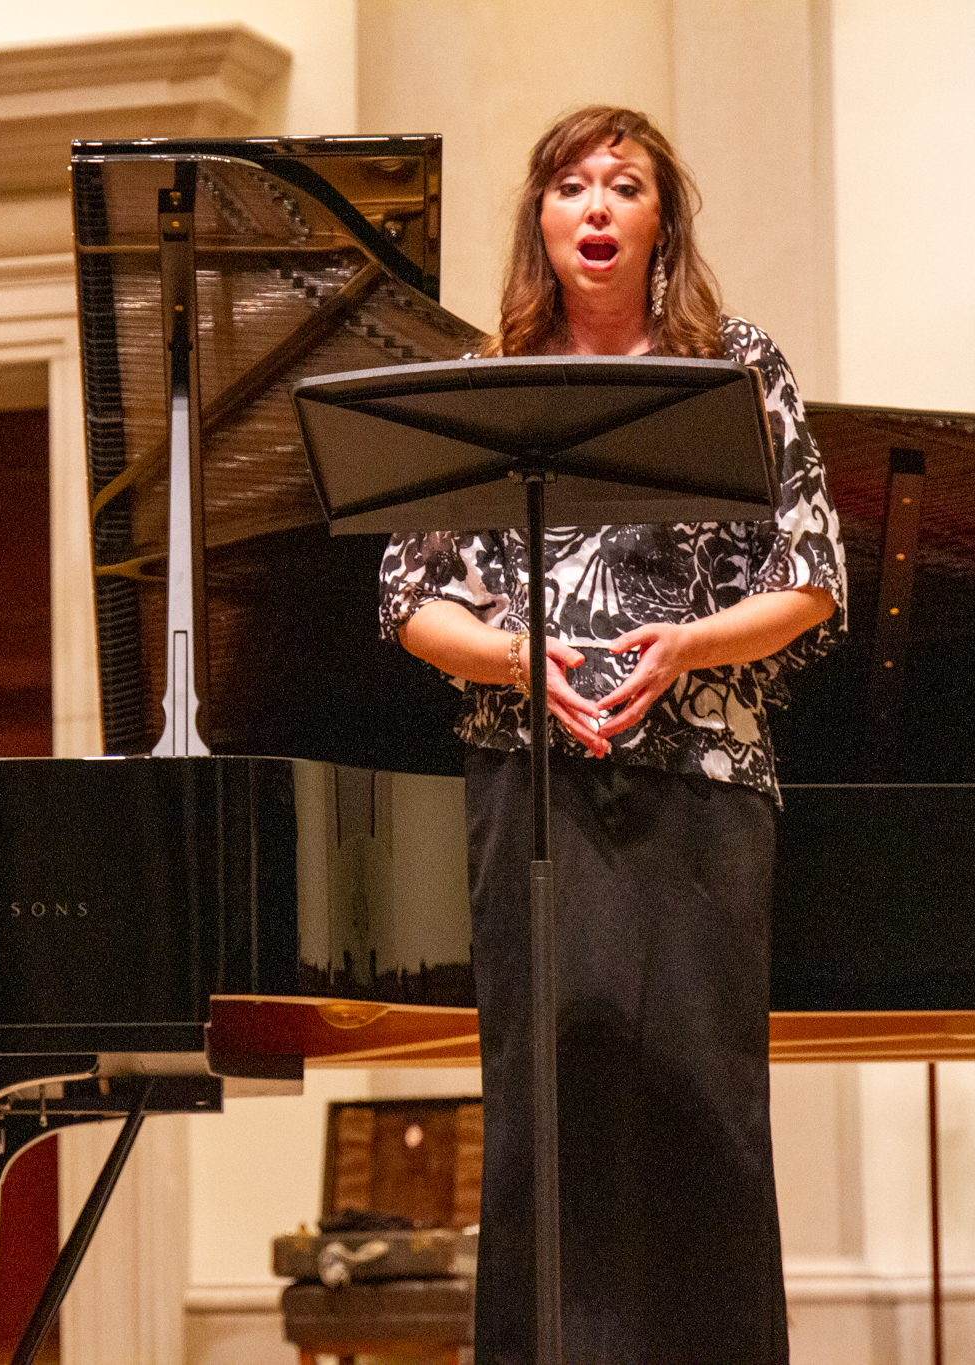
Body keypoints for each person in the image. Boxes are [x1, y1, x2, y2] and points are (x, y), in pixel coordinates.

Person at [378, 107, 846, 1363]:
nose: (594, 207)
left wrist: (687, 645)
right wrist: (522, 663)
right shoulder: (482, 385)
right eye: (570, 186)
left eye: (622, 186)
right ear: (539, 220)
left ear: (658, 223)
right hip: (526, 787)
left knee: (699, 1115)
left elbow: (811, 577)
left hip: (700, 780)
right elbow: (410, 601)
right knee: (546, 1121)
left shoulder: (733, 365)